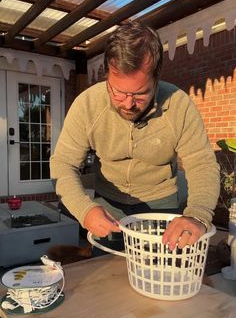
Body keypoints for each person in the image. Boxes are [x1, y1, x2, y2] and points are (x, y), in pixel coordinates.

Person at [50, 20, 220, 251]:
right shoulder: (87, 105)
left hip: (163, 205)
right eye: (118, 92)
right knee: (107, 275)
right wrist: (84, 209)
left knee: (161, 274)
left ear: (157, 79)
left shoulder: (178, 104)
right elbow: (63, 164)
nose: (128, 104)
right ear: (107, 73)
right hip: (107, 205)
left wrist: (198, 215)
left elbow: (202, 164)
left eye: (140, 94)